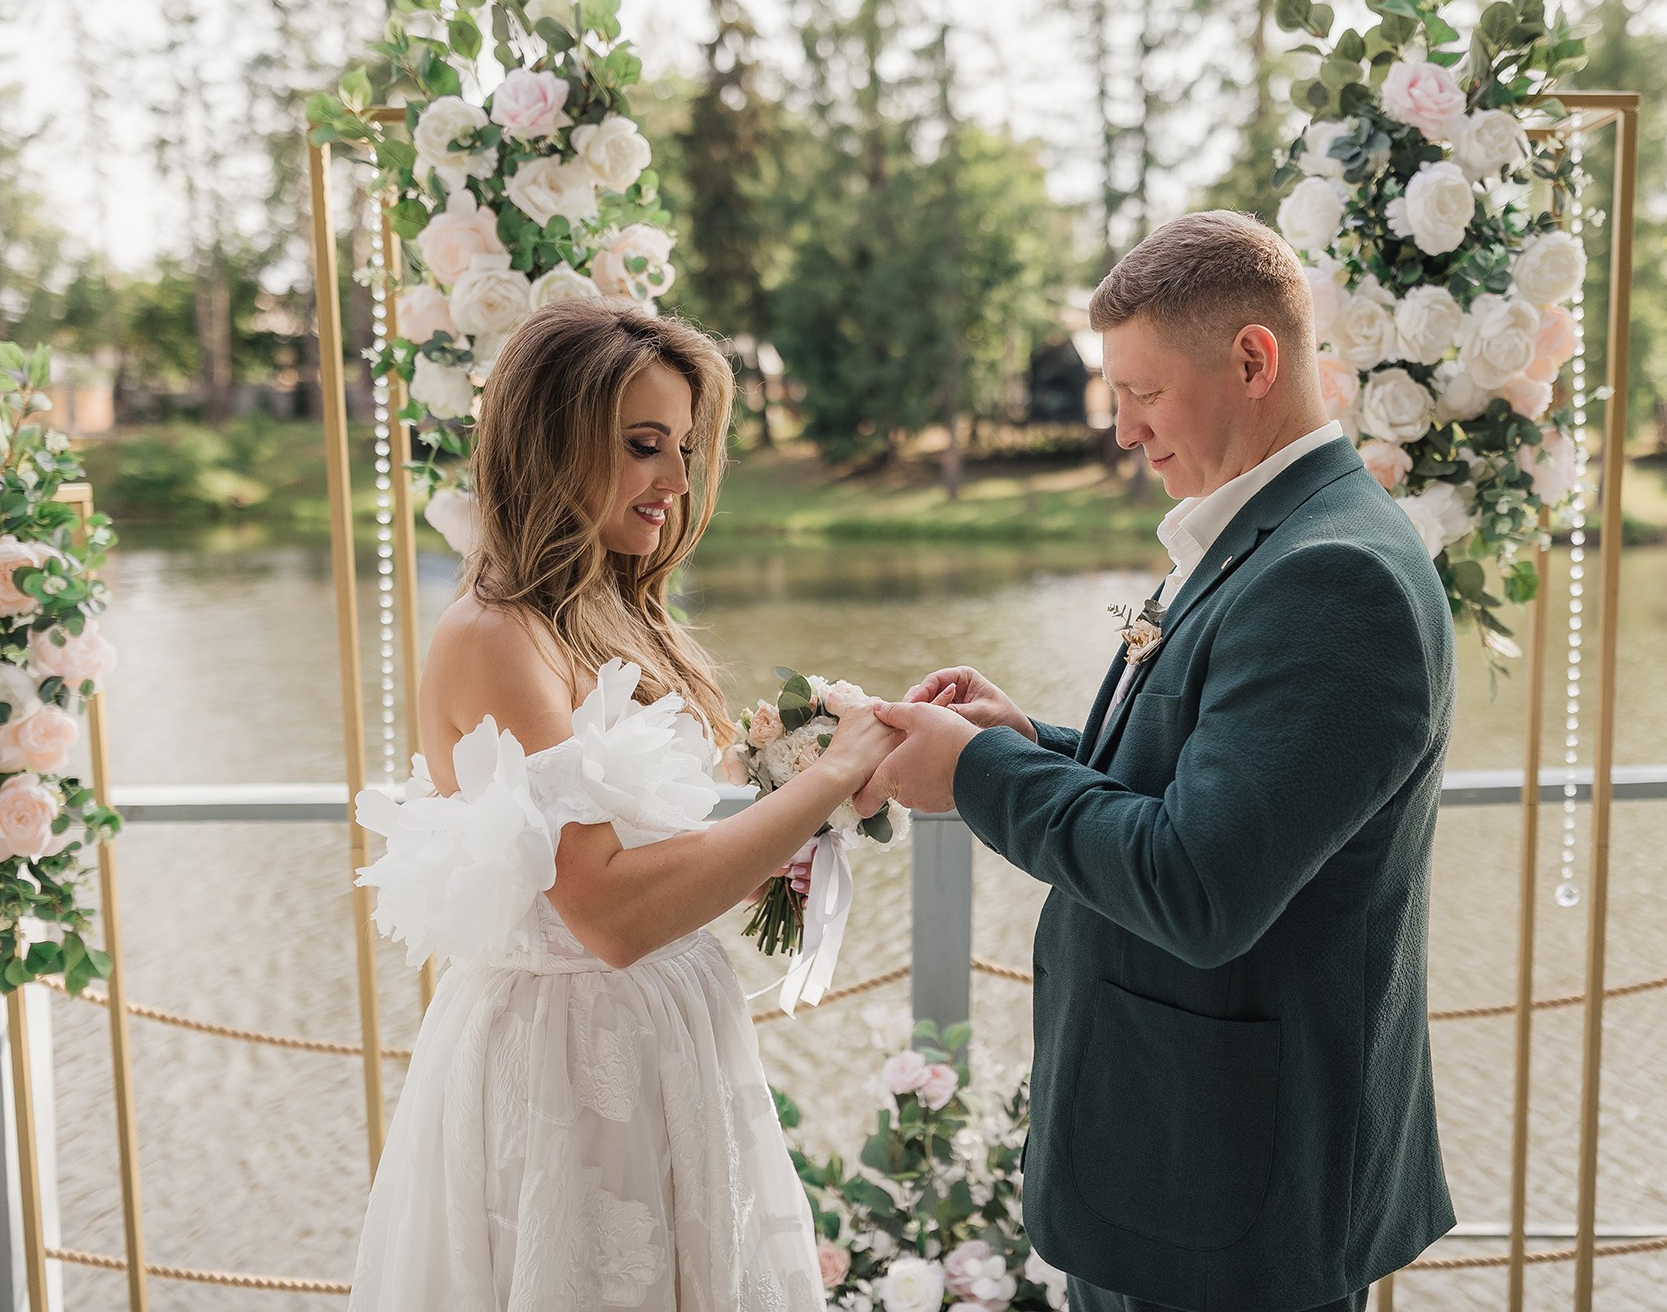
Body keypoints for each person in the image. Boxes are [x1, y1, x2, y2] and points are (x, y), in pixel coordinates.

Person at [858, 210, 1458, 1312]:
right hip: (1185, 1166)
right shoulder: (1269, 531)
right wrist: (1027, 741)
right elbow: (1210, 779)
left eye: (1140, 392)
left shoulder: (1334, 577)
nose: (1122, 430)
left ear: (1250, 360)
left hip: (1231, 1196)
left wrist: (975, 778)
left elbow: (1198, 880)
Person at [348, 300, 893, 1310]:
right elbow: (606, 912)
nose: (677, 482)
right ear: (554, 444)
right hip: (565, 1065)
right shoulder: (497, 637)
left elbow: (668, 862)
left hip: (664, 1035)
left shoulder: (603, 611)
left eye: (684, 448)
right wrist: (822, 782)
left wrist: (789, 763)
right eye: (645, 446)